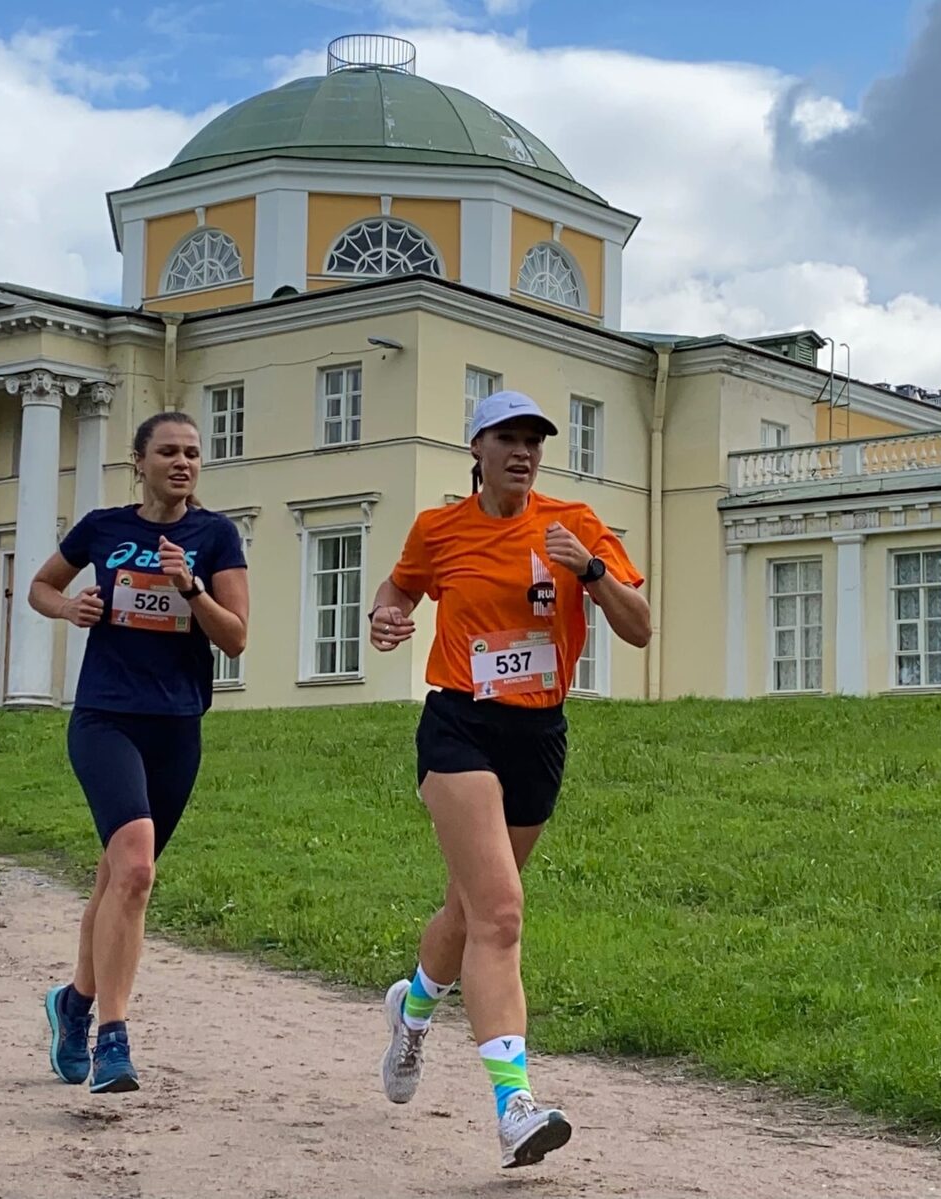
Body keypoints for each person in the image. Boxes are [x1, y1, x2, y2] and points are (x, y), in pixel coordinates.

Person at [367, 389, 650, 1170]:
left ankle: (414, 1006)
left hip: (538, 732)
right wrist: (385, 616)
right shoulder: (440, 527)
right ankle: (513, 1105)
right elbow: (400, 588)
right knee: (501, 912)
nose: (523, 451)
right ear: (477, 450)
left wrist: (589, 569)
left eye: (534, 440)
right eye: (507, 438)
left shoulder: (576, 523)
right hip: (460, 724)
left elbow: (640, 626)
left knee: (471, 908)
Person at [28, 412, 250, 1095]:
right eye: (168, 452)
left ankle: (73, 1003)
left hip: (176, 723)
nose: (182, 463)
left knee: (117, 879)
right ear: (139, 460)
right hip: (105, 717)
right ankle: (113, 1041)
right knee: (136, 868)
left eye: (193, 453)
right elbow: (41, 586)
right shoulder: (103, 527)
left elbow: (236, 637)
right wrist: (71, 610)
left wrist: (191, 587)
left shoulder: (215, 536)